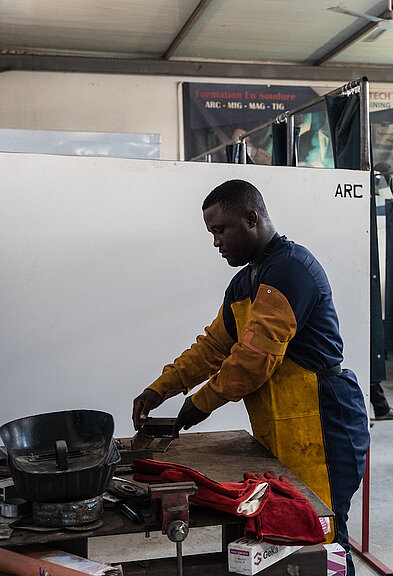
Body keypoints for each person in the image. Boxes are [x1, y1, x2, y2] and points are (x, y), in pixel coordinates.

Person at [131, 179, 369, 574]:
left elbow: (255, 359)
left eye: (220, 230)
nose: (216, 242)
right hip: (281, 425)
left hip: (325, 419)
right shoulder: (246, 282)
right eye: (212, 233)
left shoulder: (291, 269)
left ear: (252, 218)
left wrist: (196, 405)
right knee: (286, 528)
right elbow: (212, 348)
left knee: (322, 533)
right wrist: (160, 389)